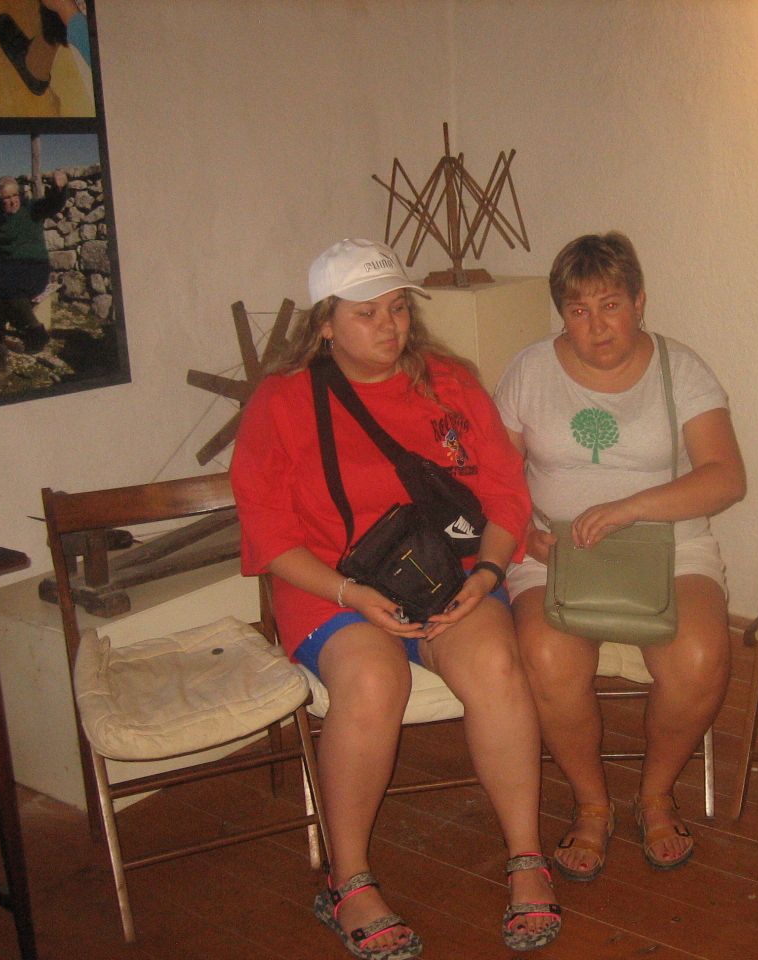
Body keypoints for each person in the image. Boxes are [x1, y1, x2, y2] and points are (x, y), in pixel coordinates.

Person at [230, 238, 560, 958]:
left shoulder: (449, 383)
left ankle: (525, 856)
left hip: (449, 575)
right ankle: (347, 880)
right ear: (324, 323)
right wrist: (350, 592)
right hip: (330, 585)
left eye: (399, 308)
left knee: (496, 666)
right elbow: (269, 535)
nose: (391, 326)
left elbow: (505, 492)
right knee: (374, 680)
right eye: (367, 313)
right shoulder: (282, 403)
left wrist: (488, 576)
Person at [494, 232, 745, 880]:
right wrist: (523, 535)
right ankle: (592, 803)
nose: (597, 325)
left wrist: (632, 508)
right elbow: (494, 479)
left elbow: (726, 477)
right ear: (562, 314)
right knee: (548, 658)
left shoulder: (681, 368)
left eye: (610, 305)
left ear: (639, 302)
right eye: (578, 310)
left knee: (699, 659)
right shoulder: (528, 371)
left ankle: (655, 794)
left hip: (668, 542)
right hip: (553, 549)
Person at [0, 171, 69, 355]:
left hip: (34, 268)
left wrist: (60, 188)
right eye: (6, 198)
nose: (12, 201)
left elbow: (53, 204)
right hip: (7, 270)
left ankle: (37, 333)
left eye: (15, 195)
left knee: (6, 285)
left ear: (20, 195)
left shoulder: (32, 210)